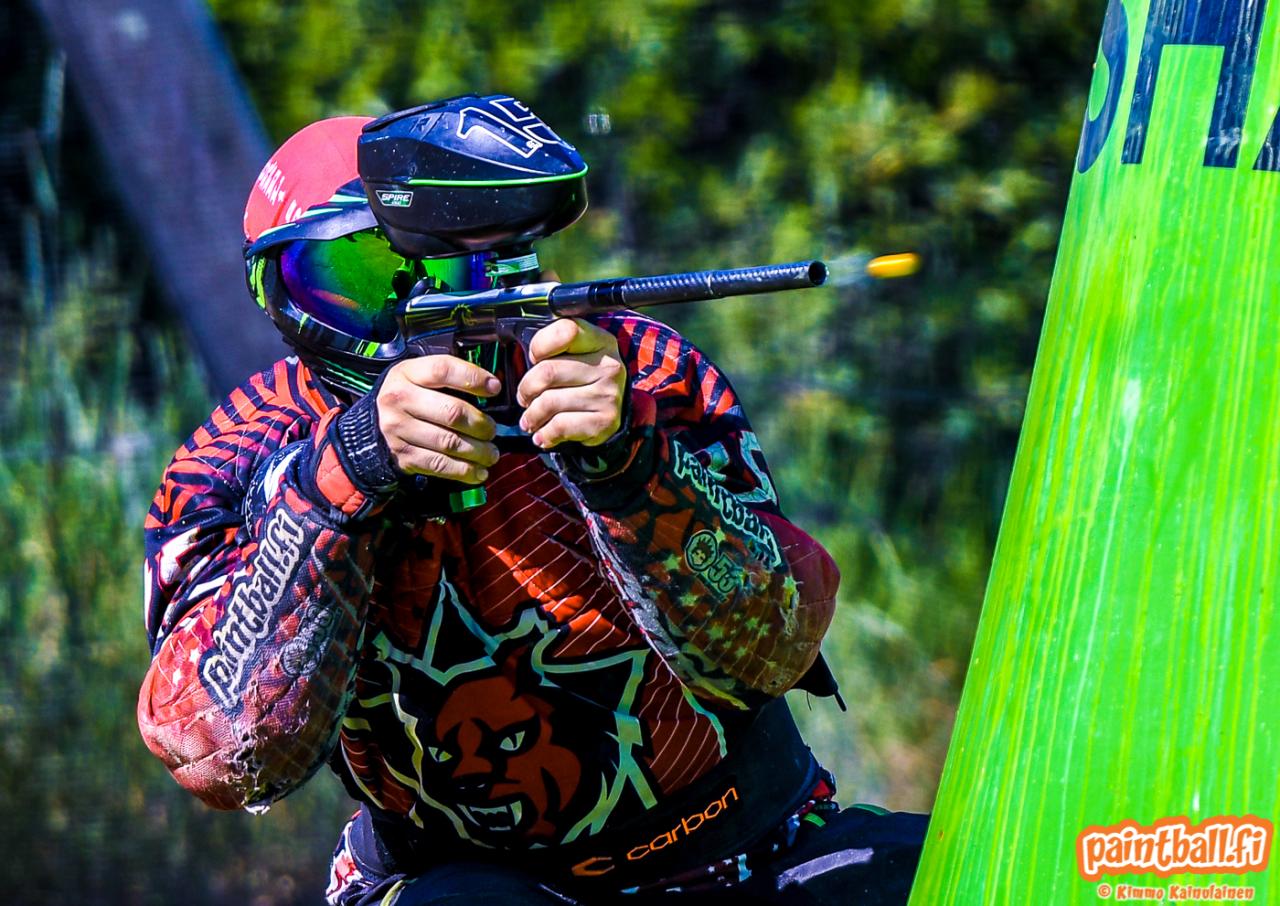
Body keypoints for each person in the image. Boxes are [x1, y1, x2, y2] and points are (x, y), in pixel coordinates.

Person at [136, 97, 926, 905]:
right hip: (453, 880)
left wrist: (627, 462)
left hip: (741, 849)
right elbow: (219, 753)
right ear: (279, 292)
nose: (413, 308)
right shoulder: (241, 452)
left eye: (446, 266)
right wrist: (345, 476)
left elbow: (777, 646)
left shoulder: (633, 371)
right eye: (365, 276)